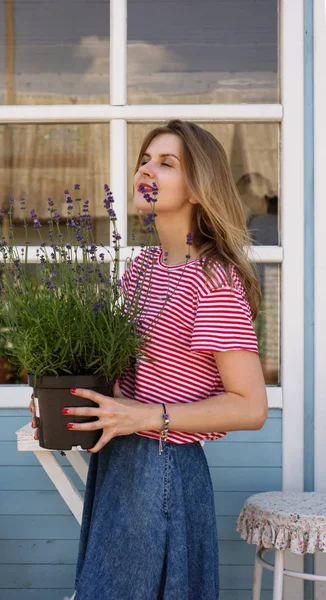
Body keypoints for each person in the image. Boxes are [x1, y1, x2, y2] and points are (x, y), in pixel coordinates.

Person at [29, 120, 268, 600]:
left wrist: (145, 415)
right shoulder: (142, 268)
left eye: (166, 162)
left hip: (165, 472)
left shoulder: (213, 279)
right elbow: (121, 374)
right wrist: (62, 398)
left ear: (199, 188)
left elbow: (250, 406)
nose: (146, 169)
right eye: (144, 159)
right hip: (119, 463)